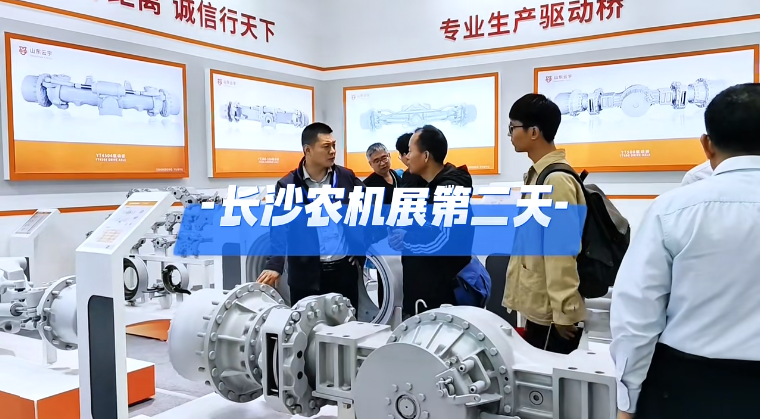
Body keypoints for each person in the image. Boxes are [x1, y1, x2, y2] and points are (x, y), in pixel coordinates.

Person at [610, 83, 760, 419]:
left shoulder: (672, 209)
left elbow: (636, 316)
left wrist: (626, 401)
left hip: (688, 388)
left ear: (706, 145)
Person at [502, 93, 586, 355]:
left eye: (513, 127)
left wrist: (564, 312)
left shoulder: (556, 181)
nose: (510, 134)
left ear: (534, 132)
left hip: (551, 316)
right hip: (540, 306)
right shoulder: (539, 175)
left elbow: (561, 250)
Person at [257, 122, 366, 308]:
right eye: (326, 146)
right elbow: (279, 227)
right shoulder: (288, 185)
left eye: (334, 145)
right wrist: (275, 264)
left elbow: (368, 211)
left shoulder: (345, 177)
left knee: (346, 323)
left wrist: (360, 247)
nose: (333, 151)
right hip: (305, 275)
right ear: (308, 150)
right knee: (306, 324)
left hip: (344, 273)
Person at [387, 125, 473, 316]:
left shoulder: (450, 190)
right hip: (420, 292)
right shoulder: (419, 185)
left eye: (410, 151)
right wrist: (396, 235)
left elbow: (441, 240)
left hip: (442, 298)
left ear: (425, 156)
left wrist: (405, 239)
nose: (407, 157)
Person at [362, 142, 401, 308]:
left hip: (403, 236)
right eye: (376, 161)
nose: (382, 163)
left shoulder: (399, 177)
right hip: (383, 239)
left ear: (389, 156)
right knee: (386, 279)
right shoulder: (368, 186)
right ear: (370, 164)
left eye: (384, 158)